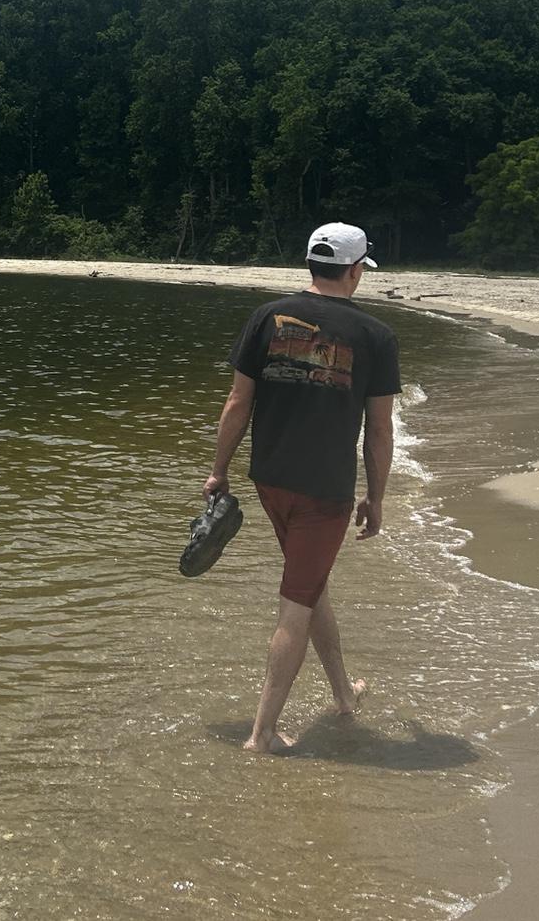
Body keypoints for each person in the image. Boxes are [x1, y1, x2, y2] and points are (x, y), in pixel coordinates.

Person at [202, 221, 400, 754]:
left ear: (312, 265)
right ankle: (261, 734)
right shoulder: (376, 337)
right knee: (296, 601)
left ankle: (342, 695)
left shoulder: (267, 317)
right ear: (356, 271)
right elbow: (378, 429)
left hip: (270, 477)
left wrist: (218, 470)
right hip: (324, 490)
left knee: (311, 586)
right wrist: (376, 498)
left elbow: (236, 403)